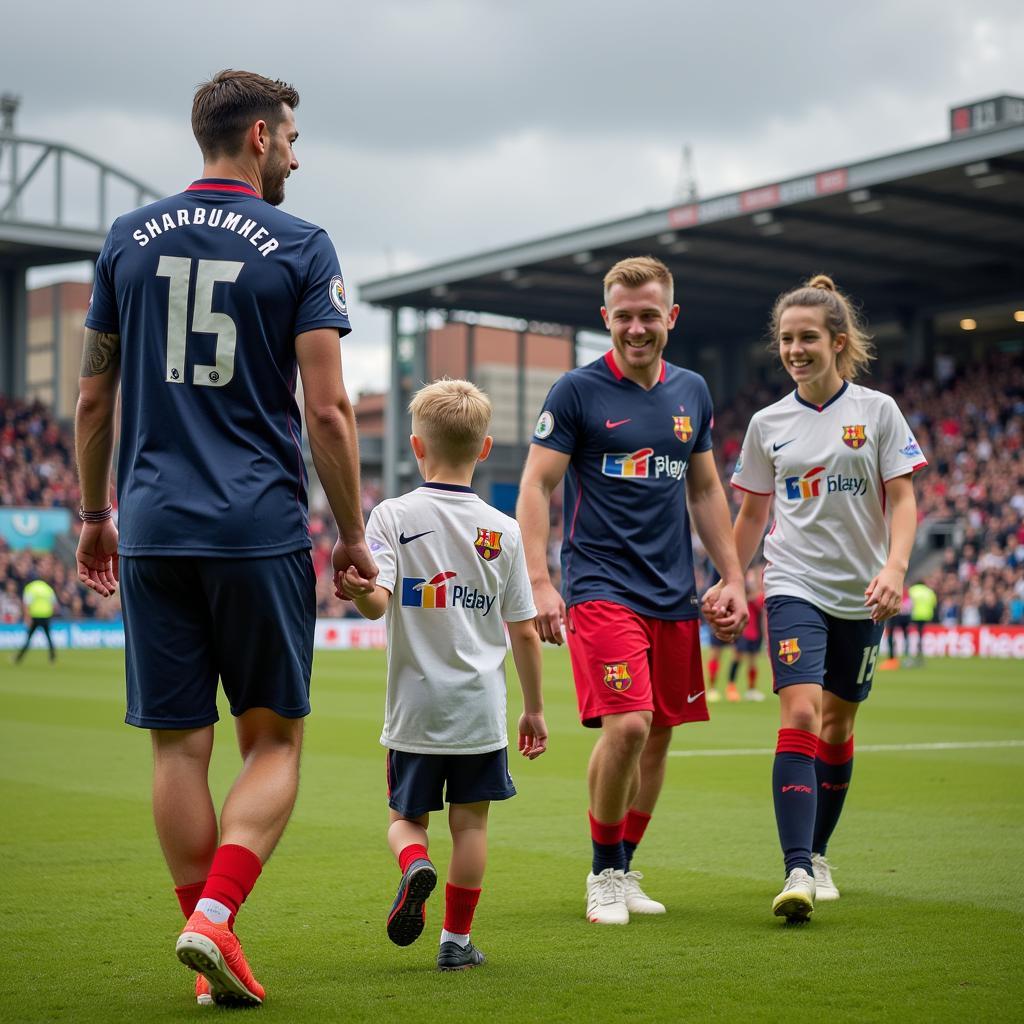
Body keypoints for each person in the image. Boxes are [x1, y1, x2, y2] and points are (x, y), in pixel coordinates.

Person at [74, 69, 376, 1006]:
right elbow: (326, 410)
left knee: (176, 751)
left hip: (154, 527)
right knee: (274, 743)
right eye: (289, 137)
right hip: (256, 526)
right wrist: (353, 534)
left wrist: (94, 517)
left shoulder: (125, 240)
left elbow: (93, 394)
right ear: (256, 138)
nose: (296, 152)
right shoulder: (300, 243)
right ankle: (213, 919)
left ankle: (211, 958)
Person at [517, 256, 747, 925]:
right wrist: (540, 580)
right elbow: (536, 485)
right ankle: (602, 875)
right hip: (599, 585)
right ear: (606, 319)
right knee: (628, 725)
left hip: (674, 591)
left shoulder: (692, 393)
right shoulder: (576, 392)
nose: (637, 328)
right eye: (624, 317)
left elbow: (704, 488)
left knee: (659, 737)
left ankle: (623, 862)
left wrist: (731, 577)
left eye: (649, 316)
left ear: (671, 317)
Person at [705, 274, 925, 922]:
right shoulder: (768, 424)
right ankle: (797, 867)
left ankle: (820, 852)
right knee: (800, 715)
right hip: (792, 583)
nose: (795, 349)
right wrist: (731, 576)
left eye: (807, 338)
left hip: (863, 594)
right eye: (786, 340)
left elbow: (905, 498)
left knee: (838, 725)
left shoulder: (878, 411)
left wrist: (895, 569)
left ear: (837, 341)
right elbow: (751, 517)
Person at [339, 379, 547, 970]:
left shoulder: (391, 515)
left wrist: (358, 593)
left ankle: (414, 866)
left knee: (406, 819)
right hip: (480, 712)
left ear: (415, 446)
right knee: (471, 825)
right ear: (484, 450)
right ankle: (456, 942)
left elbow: (377, 602)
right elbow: (524, 630)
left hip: (414, 710)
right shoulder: (503, 529)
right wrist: (533, 710)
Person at [724, 571, 766, 702]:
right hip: (743, 631)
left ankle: (751, 690)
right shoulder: (741, 594)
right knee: (737, 658)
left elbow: (761, 605)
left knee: (753, 662)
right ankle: (731, 687)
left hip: (756, 633)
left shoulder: (759, 597)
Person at [13, 576, 58, 663]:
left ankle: (19, 657)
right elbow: (54, 605)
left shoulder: (30, 587)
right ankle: (52, 657)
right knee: (49, 638)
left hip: (34, 616)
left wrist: (27, 617)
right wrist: (51, 615)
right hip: (46, 616)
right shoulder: (47, 588)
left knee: (28, 638)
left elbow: (26, 604)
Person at [907, 578, 938, 665]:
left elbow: (907, 603)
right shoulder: (929, 591)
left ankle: (911, 654)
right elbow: (934, 604)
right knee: (921, 634)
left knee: (910, 633)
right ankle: (919, 653)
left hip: (914, 615)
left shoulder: (912, 590)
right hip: (926, 615)